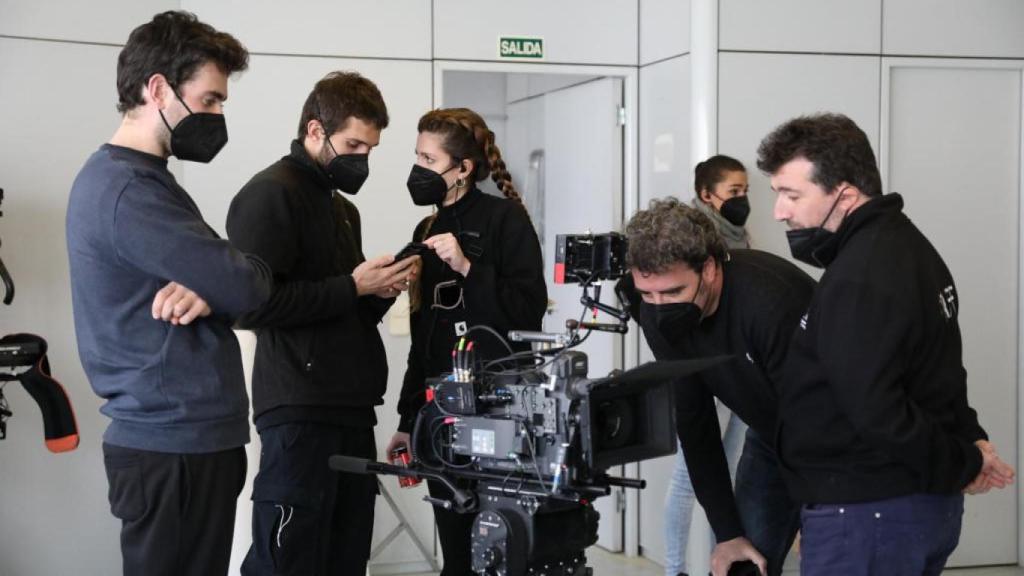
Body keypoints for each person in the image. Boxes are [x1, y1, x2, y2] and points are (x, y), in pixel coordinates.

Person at [757, 112, 1016, 575]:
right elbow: (938, 376)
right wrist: (970, 445)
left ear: (845, 194)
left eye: (791, 195)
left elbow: (878, 413)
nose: (780, 211)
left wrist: (966, 461)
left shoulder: (861, 276)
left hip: (869, 513)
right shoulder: (907, 245)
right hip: (900, 508)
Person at [65, 11, 271, 576]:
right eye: (209, 100)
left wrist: (213, 286)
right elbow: (246, 284)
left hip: (183, 440)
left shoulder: (145, 179)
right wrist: (223, 282)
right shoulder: (128, 189)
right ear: (158, 89)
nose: (217, 115)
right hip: (172, 446)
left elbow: (231, 278)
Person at [225, 71, 416, 576]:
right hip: (297, 409)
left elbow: (340, 308)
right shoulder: (270, 194)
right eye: (353, 144)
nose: (362, 160)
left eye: (370, 149)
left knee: (346, 554)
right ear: (315, 131)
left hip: (351, 406)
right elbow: (251, 307)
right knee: (287, 558)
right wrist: (353, 286)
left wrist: (382, 288)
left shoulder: (341, 208)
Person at [386, 107, 548, 575]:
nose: (418, 170)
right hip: (440, 413)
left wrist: (468, 269)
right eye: (416, 156)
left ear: (463, 169)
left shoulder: (505, 220)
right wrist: (408, 417)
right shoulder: (426, 229)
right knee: (456, 549)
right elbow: (425, 336)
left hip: (500, 408)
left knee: (500, 547)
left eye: (428, 159)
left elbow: (527, 311)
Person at [621, 197, 813, 576]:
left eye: (673, 292)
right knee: (740, 561)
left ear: (708, 268)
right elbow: (695, 423)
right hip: (770, 435)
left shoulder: (771, 302)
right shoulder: (656, 312)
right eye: (647, 294)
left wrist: (824, 509)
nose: (658, 307)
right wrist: (727, 533)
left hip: (841, 442)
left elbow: (822, 417)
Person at [664, 155, 753, 576]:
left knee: (730, 470)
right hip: (703, 369)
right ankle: (674, 568)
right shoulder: (693, 242)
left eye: (745, 192)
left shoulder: (740, 234)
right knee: (689, 477)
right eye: (734, 192)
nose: (742, 200)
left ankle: (722, 558)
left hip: (741, 367)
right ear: (707, 195)